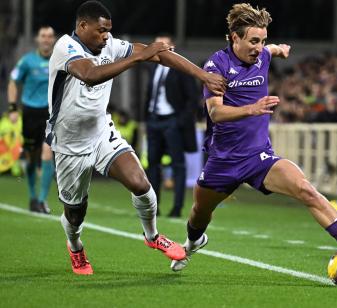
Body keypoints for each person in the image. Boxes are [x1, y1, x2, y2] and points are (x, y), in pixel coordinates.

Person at [170, 3, 337, 272]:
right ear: (234, 37)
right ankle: (193, 243)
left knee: (305, 189)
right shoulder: (217, 65)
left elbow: (272, 50)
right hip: (223, 160)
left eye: (262, 41)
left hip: (259, 156)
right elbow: (215, 113)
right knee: (199, 213)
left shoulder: (263, 54)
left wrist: (280, 49)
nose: (259, 47)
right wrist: (252, 109)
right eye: (253, 41)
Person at [47, 0, 225, 275]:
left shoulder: (112, 46)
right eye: (100, 30)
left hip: (101, 132)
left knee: (140, 183)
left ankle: (153, 236)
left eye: (109, 31)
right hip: (70, 143)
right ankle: (75, 246)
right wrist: (138, 58)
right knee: (75, 212)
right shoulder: (65, 47)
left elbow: (158, 54)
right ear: (82, 26)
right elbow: (90, 75)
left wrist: (203, 76)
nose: (106, 36)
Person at [145, 35, 199, 218]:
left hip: (172, 121)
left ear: (172, 47)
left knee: (178, 165)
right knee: (152, 164)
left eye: (164, 44)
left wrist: (179, 121)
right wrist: (148, 117)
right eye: (157, 44)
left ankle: (177, 207)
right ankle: (154, 206)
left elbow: (193, 97)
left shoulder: (181, 67)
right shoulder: (153, 67)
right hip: (154, 120)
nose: (159, 47)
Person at [8, 26, 56, 214]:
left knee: (47, 151)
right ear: (37, 39)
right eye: (43, 36)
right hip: (29, 113)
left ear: (53, 39)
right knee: (31, 157)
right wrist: (12, 107)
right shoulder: (27, 61)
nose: (46, 39)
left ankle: (42, 200)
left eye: (50, 36)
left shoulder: (58, 60)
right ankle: (32, 196)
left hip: (50, 113)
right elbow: (13, 82)